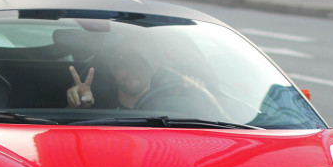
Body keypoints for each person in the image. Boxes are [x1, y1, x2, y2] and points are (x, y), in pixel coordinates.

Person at [65, 44, 222, 116]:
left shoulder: (176, 105)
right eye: (123, 65)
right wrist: (77, 108)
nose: (132, 71)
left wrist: (198, 91)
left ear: (154, 67)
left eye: (139, 65)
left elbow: (220, 120)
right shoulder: (99, 106)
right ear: (112, 69)